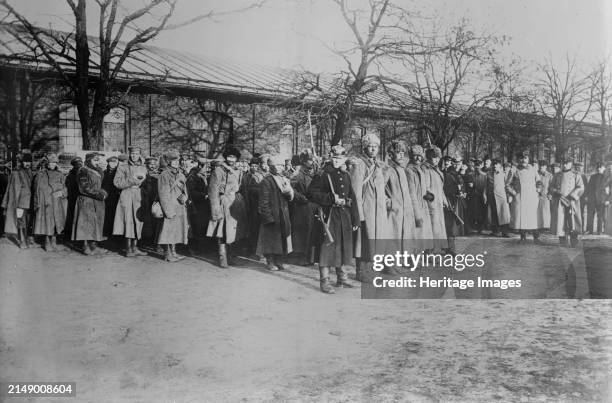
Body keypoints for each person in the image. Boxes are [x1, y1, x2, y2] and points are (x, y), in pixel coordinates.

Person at [307, 145, 359, 293]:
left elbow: (352, 197)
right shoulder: (323, 174)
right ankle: (325, 281)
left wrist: (355, 219)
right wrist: (330, 198)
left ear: (344, 158)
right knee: (327, 248)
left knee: (342, 247)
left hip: (344, 217)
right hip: (328, 216)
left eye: (340, 158)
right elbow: (310, 193)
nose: (337, 161)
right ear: (331, 157)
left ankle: (341, 278)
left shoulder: (346, 174)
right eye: (335, 158)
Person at [348, 133, 389, 282]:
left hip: (378, 211)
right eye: (369, 146)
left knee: (375, 241)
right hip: (366, 210)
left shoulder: (377, 165)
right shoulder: (359, 164)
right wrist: (358, 215)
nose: (372, 149)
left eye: (375, 147)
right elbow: (356, 191)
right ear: (364, 148)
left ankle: (372, 269)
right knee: (364, 241)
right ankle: (362, 271)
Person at [207, 146, 247, 268]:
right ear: (225, 157)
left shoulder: (239, 171)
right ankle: (222, 257)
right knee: (222, 231)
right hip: (223, 202)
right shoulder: (219, 170)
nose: (231, 159)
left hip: (235, 204)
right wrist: (215, 209)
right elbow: (212, 191)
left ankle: (231, 256)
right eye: (229, 156)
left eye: (233, 157)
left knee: (234, 232)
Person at [256, 155, 294, 271]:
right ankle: (270, 261)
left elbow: (289, 197)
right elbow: (263, 202)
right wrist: (268, 217)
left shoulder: (283, 179)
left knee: (281, 238)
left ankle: (279, 261)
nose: (279, 168)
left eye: (281, 165)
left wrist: (290, 193)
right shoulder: (267, 181)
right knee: (270, 240)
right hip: (272, 215)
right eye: (276, 165)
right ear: (271, 167)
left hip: (282, 214)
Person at [385, 140, 421, 256]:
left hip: (406, 210)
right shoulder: (387, 170)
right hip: (394, 211)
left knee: (405, 236)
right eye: (398, 152)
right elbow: (381, 191)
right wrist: (390, 203)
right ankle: (390, 264)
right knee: (393, 236)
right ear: (391, 155)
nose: (401, 155)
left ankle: (405, 258)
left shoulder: (403, 170)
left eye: (403, 152)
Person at [113, 146, 147, 257]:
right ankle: (128, 249)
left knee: (138, 221)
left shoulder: (143, 167)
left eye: (136, 153)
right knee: (128, 221)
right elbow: (117, 183)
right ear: (129, 154)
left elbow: (145, 181)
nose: (134, 155)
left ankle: (135, 247)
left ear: (140, 154)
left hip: (139, 196)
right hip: (127, 195)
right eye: (132, 153)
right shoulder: (123, 167)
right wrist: (131, 180)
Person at [72, 152, 108, 255]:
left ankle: (94, 246)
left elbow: (98, 185)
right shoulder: (82, 171)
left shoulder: (98, 171)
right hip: (86, 200)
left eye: (98, 160)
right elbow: (84, 187)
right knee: (86, 223)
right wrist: (99, 194)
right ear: (88, 160)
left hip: (96, 201)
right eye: (95, 160)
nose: (97, 162)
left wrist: (103, 193)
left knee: (95, 224)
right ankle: (85, 246)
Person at [157, 150, 189, 262]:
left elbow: (185, 191)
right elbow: (163, 194)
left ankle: (174, 252)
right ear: (168, 162)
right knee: (167, 230)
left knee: (176, 230)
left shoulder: (181, 174)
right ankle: (167, 253)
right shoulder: (164, 175)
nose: (175, 162)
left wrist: (185, 197)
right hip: (169, 206)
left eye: (177, 160)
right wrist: (167, 211)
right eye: (172, 160)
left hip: (179, 206)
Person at [32, 153, 67, 251]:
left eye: (55, 163)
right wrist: (38, 202)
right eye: (51, 163)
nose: (53, 165)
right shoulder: (41, 174)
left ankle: (54, 240)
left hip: (57, 202)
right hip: (45, 202)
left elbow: (65, 188)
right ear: (47, 163)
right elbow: (37, 190)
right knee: (47, 222)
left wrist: (62, 193)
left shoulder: (60, 174)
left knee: (56, 222)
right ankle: (47, 241)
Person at [289, 149, 318, 265]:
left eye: (312, 160)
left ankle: (310, 257)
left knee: (312, 232)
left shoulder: (313, 173)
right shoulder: (297, 174)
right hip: (301, 207)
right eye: (310, 160)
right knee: (302, 232)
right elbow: (291, 189)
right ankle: (301, 257)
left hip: (312, 206)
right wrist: (301, 198)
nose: (312, 162)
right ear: (304, 162)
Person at [505, 151, 540, 243]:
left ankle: (536, 237)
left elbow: (538, 181)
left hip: (531, 197)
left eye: (525, 158)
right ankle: (523, 237)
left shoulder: (533, 169)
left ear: (528, 159)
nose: (523, 160)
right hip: (519, 197)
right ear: (518, 160)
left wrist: (538, 189)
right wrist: (514, 193)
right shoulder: (514, 170)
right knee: (521, 218)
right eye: (521, 158)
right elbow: (508, 184)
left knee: (532, 218)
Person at [1, 152, 34, 248]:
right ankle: (22, 240)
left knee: (28, 221)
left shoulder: (31, 173)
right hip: (20, 203)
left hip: (30, 202)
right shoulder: (16, 173)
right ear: (21, 162)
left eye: (29, 161)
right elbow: (12, 189)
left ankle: (27, 239)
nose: (27, 163)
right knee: (20, 221)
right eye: (25, 161)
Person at [549, 158, 584, 247]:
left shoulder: (576, 175)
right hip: (560, 201)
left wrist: (572, 196)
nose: (564, 165)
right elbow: (551, 187)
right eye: (563, 163)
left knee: (573, 221)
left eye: (567, 163)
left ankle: (573, 239)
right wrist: (555, 191)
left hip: (572, 201)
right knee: (561, 221)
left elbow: (580, 187)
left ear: (571, 164)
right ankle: (563, 239)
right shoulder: (557, 175)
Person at [420, 146, 448, 252]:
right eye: (434, 157)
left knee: (438, 226)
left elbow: (440, 188)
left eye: (438, 158)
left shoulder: (436, 170)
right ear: (429, 157)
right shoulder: (425, 169)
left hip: (438, 203)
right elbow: (425, 188)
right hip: (430, 204)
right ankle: (431, 251)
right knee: (432, 227)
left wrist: (444, 200)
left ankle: (438, 248)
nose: (436, 160)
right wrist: (431, 199)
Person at [406, 144, 433, 252]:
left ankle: (420, 256)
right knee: (416, 233)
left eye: (420, 156)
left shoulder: (420, 170)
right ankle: (413, 258)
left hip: (423, 205)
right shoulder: (409, 171)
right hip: (415, 207)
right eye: (415, 155)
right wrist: (417, 213)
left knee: (422, 234)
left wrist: (429, 194)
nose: (418, 158)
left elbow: (423, 188)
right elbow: (412, 193)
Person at [241, 156, 266, 257]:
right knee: (250, 227)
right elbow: (244, 191)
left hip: (258, 205)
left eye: (256, 166)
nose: (254, 167)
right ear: (249, 166)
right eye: (252, 165)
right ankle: (249, 248)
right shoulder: (246, 177)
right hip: (249, 204)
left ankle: (256, 249)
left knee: (257, 227)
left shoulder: (260, 176)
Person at [186, 156, 210, 252]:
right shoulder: (193, 177)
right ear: (200, 166)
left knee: (202, 226)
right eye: (206, 167)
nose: (207, 169)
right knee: (196, 226)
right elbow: (191, 192)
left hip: (203, 205)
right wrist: (204, 195)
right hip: (196, 205)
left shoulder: (203, 176)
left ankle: (202, 248)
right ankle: (193, 248)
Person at [442, 155, 463, 253]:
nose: (447, 163)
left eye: (449, 162)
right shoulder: (445, 173)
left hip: (452, 200)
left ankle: (450, 248)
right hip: (447, 200)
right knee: (448, 224)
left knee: (451, 224)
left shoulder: (453, 173)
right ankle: (449, 248)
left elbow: (458, 186)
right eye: (445, 161)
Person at [487, 159, 511, 237]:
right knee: (494, 214)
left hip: (502, 197)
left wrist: (509, 196)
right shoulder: (489, 174)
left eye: (496, 164)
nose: (494, 166)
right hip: (492, 196)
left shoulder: (504, 174)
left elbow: (508, 185)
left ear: (500, 165)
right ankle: (495, 231)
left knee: (504, 214)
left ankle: (505, 232)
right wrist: (485, 195)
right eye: (493, 164)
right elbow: (486, 186)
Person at [584, 162, 607, 234]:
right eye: (598, 167)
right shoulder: (592, 176)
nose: (599, 168)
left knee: (600, 216)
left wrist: (606, 199)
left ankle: (599, 231)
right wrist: (586, 196)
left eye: (601, 167)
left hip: (601, 199)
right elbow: (588, 187)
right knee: (590, 215)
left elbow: (607, 190)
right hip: (592, 199)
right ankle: (589, 230)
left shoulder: (606, 177)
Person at [467, 159, 488, 234]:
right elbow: (468, 185)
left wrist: (485, 195)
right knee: (473, 211)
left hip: (481, 196)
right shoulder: (470, 174)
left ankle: (480, 227)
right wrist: (470, 186)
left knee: (481, 212)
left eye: (479, 165)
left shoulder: (485, 175)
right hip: (473, 196)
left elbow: (486, 186)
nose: (477, 167)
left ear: (481, 165)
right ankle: (472, 227)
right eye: (476, 165)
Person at [102, 156, 120, 239]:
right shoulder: (104, 172)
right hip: (106, 196)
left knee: (115, 214)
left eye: (114, 162)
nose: (112, 164)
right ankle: (107, 232)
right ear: (108, 163)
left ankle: (115, 234)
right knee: (107, 214)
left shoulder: (119, 172)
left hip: (116, 196)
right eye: (111, 162)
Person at [536, 160, 553, 231]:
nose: (541, 167)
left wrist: (550, 194)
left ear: (546, 167)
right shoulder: (536, 174)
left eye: (543, 166)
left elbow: (552, 186)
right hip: (536, 196)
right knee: (537, 211)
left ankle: (545, 226)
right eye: (540, 165)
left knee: (545, 212)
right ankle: (537, 226)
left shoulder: (549, 175)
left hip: (545, 196)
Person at [574, 162, 588, 230]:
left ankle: (581, 228)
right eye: (577, 167)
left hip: (581, 197)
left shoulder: (584, 176)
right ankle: (574, 228)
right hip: (574, 197)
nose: (578, 169)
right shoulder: (573, 175)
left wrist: (585, 196)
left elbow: (587, 187)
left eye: (580, 167)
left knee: (581, 213)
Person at [0, 161, 9, 238]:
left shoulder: (4, 177)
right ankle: (2, 231)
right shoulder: (5, 177)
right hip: (2, 197)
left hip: (2, 197)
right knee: (1, 215)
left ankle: (2, 231)